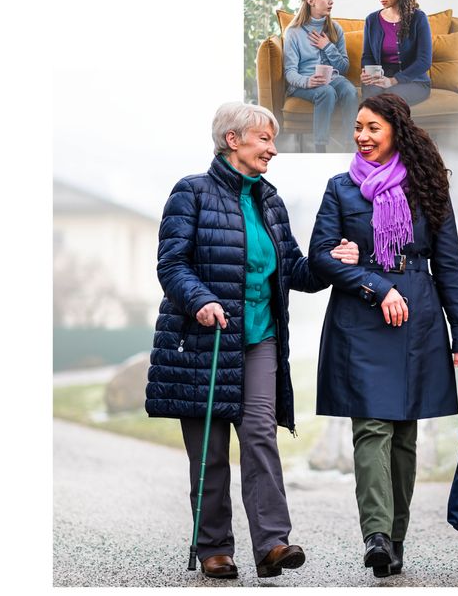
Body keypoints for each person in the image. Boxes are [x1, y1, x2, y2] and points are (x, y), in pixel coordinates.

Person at [145, 102, 359, 579]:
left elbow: (295, 271)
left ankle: (272, 544)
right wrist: (199, 299)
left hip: (259, 337)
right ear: (232, 140)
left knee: (260, 433)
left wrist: (332, 261)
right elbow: (171, 265)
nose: (273, 149)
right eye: (265, 139)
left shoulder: (271, 201)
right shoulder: (191, 193)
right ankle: (214, 548)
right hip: (204, 340)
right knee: (211, 448)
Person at [309, 93, 458, 576]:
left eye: (372, 128)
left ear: (395, 132)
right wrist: (375, 286)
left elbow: (448, 266)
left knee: (404, 434)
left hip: (419, 317)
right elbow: (320, 255)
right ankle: (377, 534)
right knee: (372, 427)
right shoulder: (340, 189)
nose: (361, 136)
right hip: (362, 318)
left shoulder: (428, 188)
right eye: (357, 127)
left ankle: (395, 540)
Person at [283, 0, 359, 153]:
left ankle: (351, 146)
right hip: (304, 82)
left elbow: (344, 67)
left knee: (350, 91)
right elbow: (290, 72)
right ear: (310, 0)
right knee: (326, 92)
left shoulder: (335, 29)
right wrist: (308, 81)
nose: (331, 2)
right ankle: (320, 147)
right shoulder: (294, 32)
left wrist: (327, 46)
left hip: (333, 78)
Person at [359, 0, 432, 106]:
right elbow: (367, 55)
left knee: (389, 100)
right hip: (381, 76)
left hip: (414, 80)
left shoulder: (418, 18)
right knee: (371, 98)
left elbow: (424, 61)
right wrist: (367, 72)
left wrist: (393, 80)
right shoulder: (372, 20)